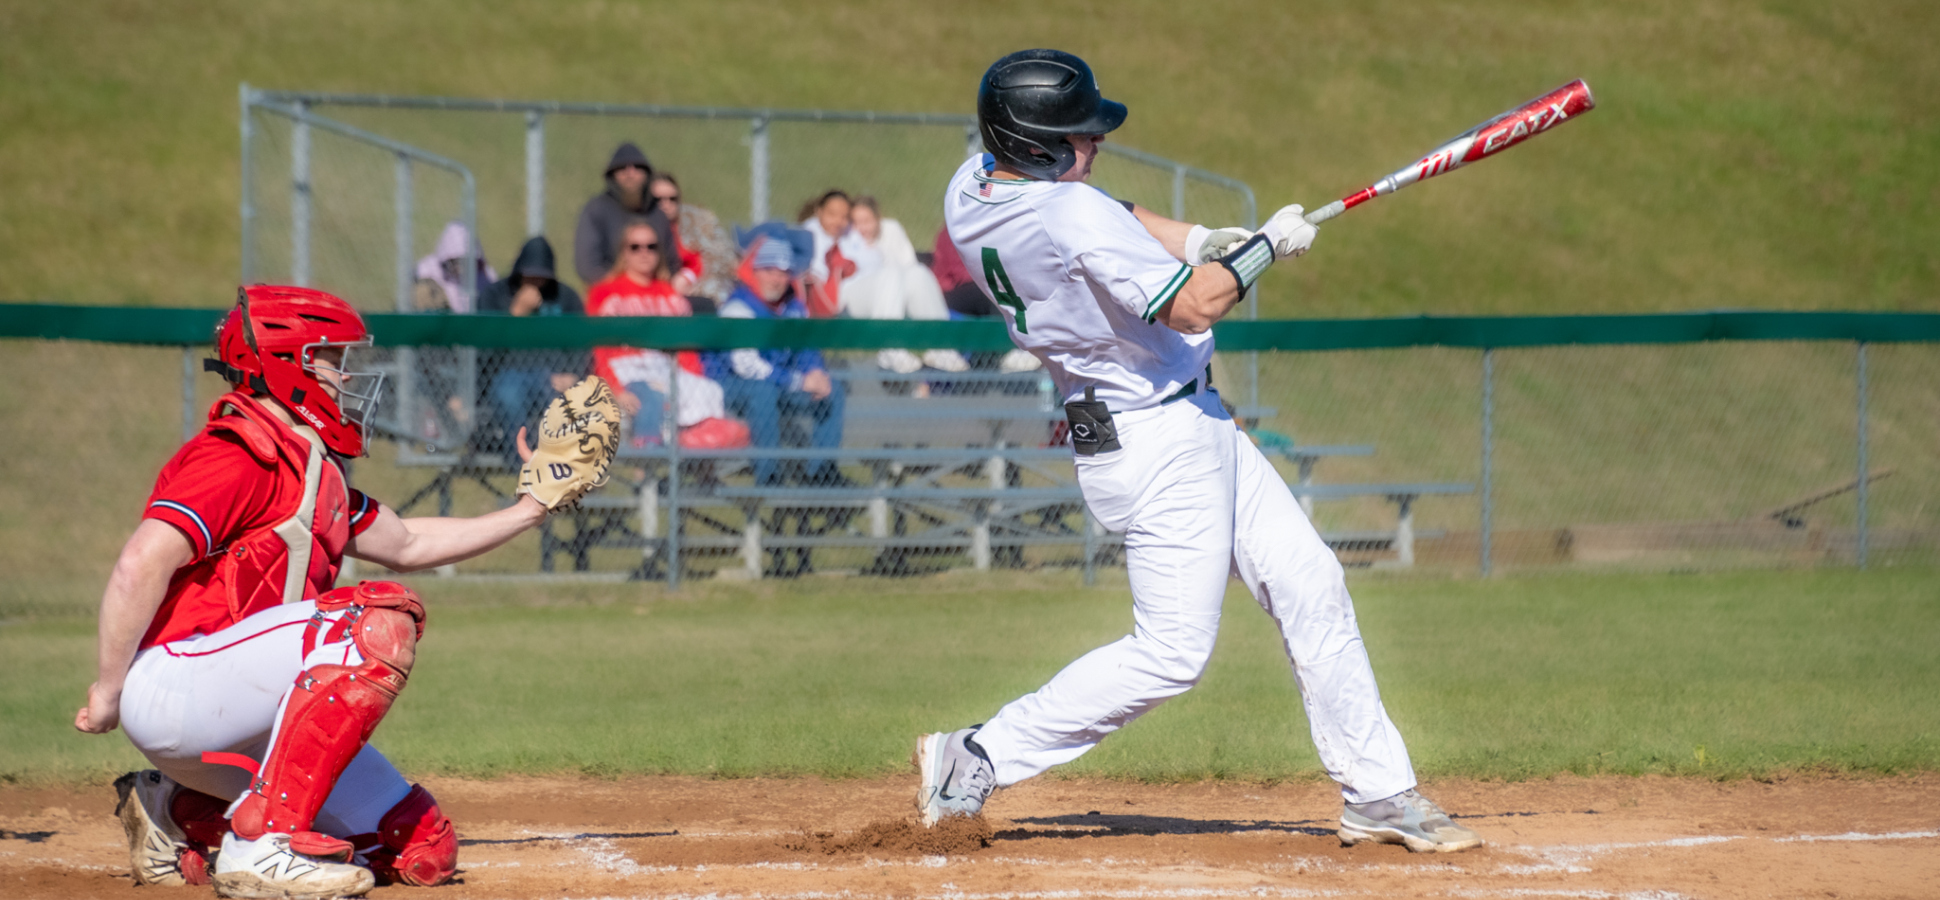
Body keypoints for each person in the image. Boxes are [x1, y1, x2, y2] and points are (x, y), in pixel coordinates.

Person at [913, 49, 1483, 856]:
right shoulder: (1061, 214)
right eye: (1080, 135)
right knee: (1173, 653)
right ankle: (978, 754)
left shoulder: (976, 183)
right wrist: (1262, 252)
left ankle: (1379, 792)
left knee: (1310, 581)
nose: (1095, 144)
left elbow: (1113, 211)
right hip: (1152, 438)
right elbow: (1195, 304)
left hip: (1181, 420)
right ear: (1038, 147)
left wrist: (1204, 235)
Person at [74, 286, 620, 898]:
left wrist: (531, 509)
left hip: (245, 710)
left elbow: (409, 541)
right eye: (332, 357)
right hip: (179, 686)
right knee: (376, 622)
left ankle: (175, 809)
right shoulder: (236, 456)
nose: (346, 375)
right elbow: (139, 563)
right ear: (289, 365)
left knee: (419, 848)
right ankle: (260, 847)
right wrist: (110, 689)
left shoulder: (306, 467)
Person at [585, 217, 743, 449]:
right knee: (652, 398)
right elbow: (599, 347)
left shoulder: (669, 294)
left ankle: (702, 469)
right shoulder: (605, 293)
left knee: (709, 390)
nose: (644, 253)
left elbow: (685, 347)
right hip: (628, 370)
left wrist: (695, 377)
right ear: (623, 253)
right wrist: (613, 388)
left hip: (666, 368)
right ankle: (646, 468)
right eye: (635, 247)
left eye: (651, 246)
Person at [703, 232, 845, 486]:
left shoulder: (793, 307)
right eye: (769, 271)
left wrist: (815, 372)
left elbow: (806, 349)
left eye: (783, 273)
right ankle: (769, 475)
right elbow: (745, 367)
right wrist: (799, 382)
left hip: (777, 382)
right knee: (762, 391)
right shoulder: (739, 308)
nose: (777, 279)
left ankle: (822, 473)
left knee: (831, 391)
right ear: (755, 272)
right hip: (726, 384)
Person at [474, 235, 589, 462]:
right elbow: (484, 351)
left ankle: (563, 468)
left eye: (542, 275)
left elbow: (581, 346)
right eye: (530, 273)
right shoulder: (495, 295)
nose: (536, 280)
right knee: (510, 396)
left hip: (552, 376)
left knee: (562, 405)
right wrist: (516, 312)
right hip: (505, 375)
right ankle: (523, 465)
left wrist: (574, 375)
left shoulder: (566, 298)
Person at [839, 196, 971, 375]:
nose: (862, 228)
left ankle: (940, 348)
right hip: (853, 299)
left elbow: (909, 265)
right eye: (856, 222)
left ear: (878, 220)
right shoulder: (845, 237)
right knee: (890, 274)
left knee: (920, 273)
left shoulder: (891, 230)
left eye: (867, 221)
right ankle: (889, 349)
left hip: (894, 297)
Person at [933, 222, 1041, 374]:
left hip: (987, 285)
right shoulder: (957, 227)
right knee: (994, 294)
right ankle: (1001, 354)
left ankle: (1022, 347)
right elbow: (962, 271)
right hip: (955, 290)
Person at [574, 142, 679, 287]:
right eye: (622, 168)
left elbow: (672, 263)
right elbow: (587, 266)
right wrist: (623, 287)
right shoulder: (597, 209)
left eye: (637, 167)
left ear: (647, 174)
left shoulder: (657, 213)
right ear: (612, 175)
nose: (630, 172)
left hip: (655, 292)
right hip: (612, 292)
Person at [649, 172, 737, 311]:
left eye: (672, 199)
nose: (666, 204)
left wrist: (686, 277)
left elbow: (699, 261)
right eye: (659, 199)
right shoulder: (642, 230)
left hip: (691, 289)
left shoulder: (686, 227)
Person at [413, 221, 496, 313]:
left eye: (466, 261)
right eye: (456, 261)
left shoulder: (485, 275)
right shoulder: (430, 271)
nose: (461, 267)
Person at [795, 190, 852, 317]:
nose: (838, 221)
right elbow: (817, 274)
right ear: (819, 212)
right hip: (824, 300)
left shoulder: (849, 234)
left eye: (844, 217)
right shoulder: (807, 235)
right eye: (832, 215)